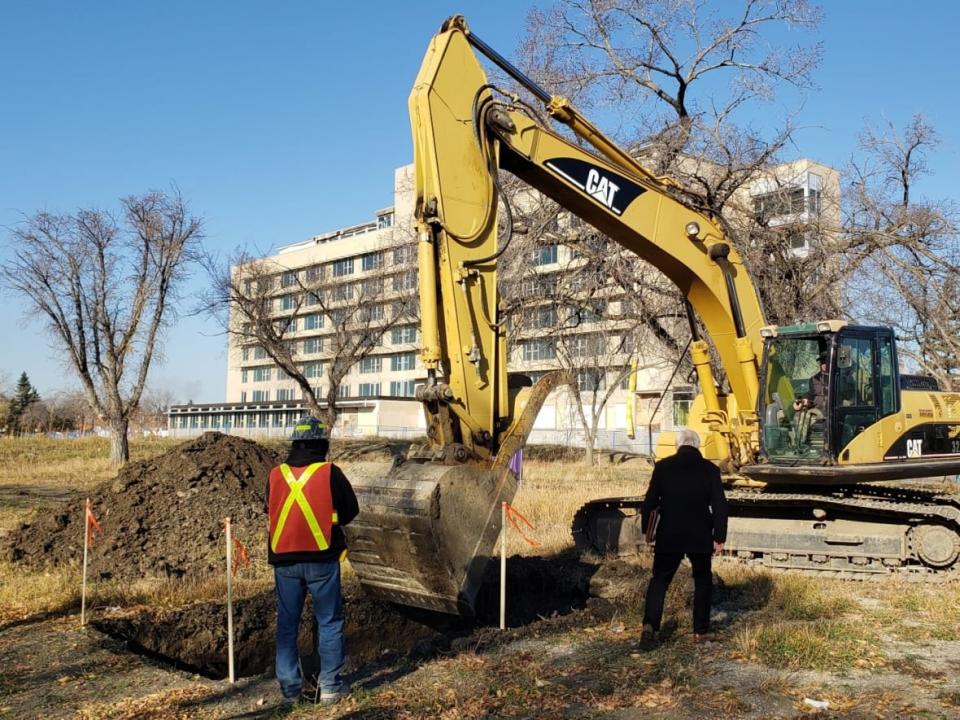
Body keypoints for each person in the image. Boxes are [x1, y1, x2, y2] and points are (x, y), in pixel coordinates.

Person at [267, 416, 359, 708]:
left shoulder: (275, 474)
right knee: (329, 621)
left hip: (285, 562)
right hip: (322, 558)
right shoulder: (330, 472)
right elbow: (349, 511)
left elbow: (268, 508)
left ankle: (290, 693)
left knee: (287, 626)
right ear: (322, 443)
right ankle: (331, 687)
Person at [639, 428, 728, 646]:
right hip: (700, 535)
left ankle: (649, 627)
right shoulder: (710, 470)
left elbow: (649, 502)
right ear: (697, 446)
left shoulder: (662, 467)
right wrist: (719, 537)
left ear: (678, 445)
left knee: (659, 581)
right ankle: (700, 632)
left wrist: (646, 531)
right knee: (702, 581)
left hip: (669, 534)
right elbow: (719, 505)